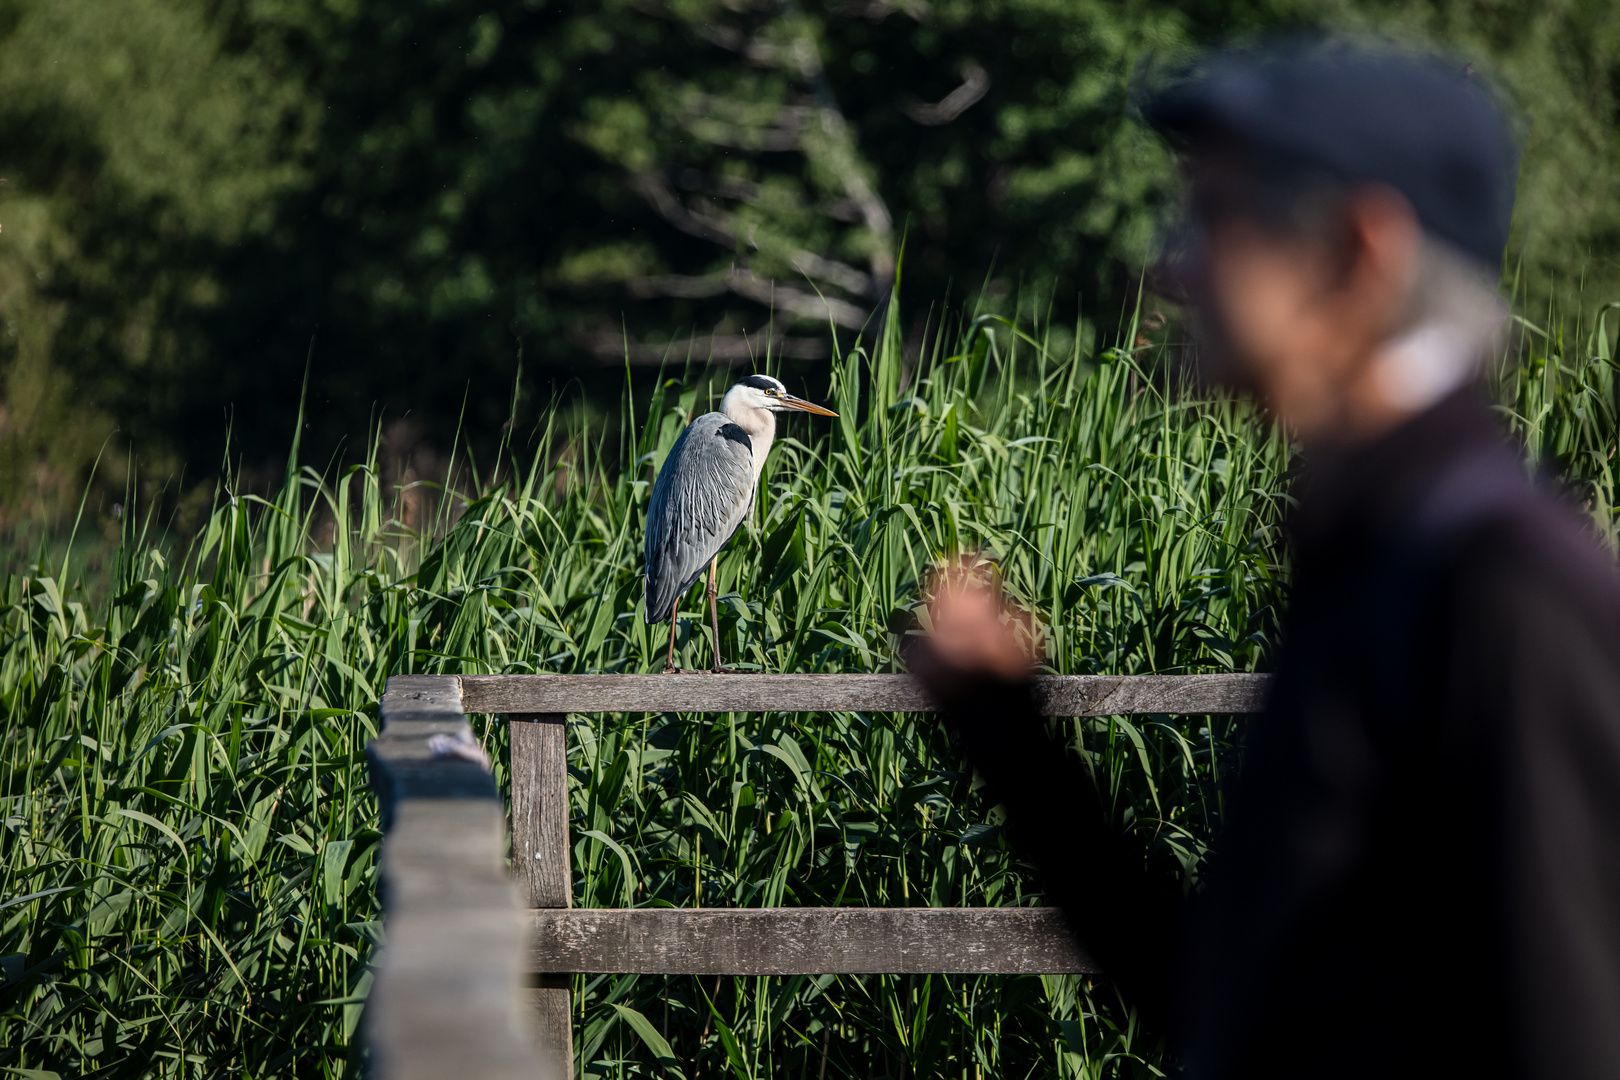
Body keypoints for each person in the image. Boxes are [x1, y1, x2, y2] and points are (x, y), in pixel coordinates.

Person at [911, 40, 1620, 1080]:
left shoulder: (1502, 582)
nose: (1172, 264)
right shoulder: (1376, 554)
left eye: (1219, 218)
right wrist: (1007, 733)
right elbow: (1227, 1005)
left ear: (1358, 252)